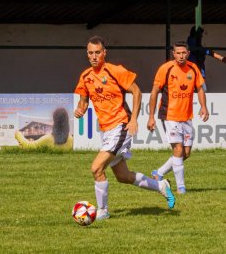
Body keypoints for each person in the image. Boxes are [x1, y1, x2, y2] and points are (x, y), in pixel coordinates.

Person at [74, 35, 175, 220]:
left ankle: (102, 212)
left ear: (104, 53)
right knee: (123, 176)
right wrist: (80, 110)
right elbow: (83, 101)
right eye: (90, 53)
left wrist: (134, 119)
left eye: (97, 52)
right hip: (105, 130)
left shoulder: (115, 71)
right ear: (87, 54)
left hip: (120, 126)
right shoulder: (85, 76)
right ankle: (161, 186)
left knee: (96, 168)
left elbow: (136, 91)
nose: (94, 56)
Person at [147, 41, 209, 194]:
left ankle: (159, 173)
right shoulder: (166, 69)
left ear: (188, 54)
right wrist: (151, 116)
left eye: (183, 53)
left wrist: (204, 106)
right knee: (178, 149)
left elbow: (200, 88)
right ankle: (181, 188)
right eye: (178, 53)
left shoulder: (193, 68)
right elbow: (154, 92)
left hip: (186, 117)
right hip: (169, 116)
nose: (181, 56)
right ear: (173, 54)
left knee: (185, 153)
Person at [187, 26, 226, 91]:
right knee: (199, 90)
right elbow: (208, 52)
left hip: (198, 72)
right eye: (200, 35)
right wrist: (221, 58)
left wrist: (221, 58)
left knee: (200, 89)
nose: (201, 36)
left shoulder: (196, 47)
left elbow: (208, 52)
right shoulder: (192, 46)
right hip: (192, 72)